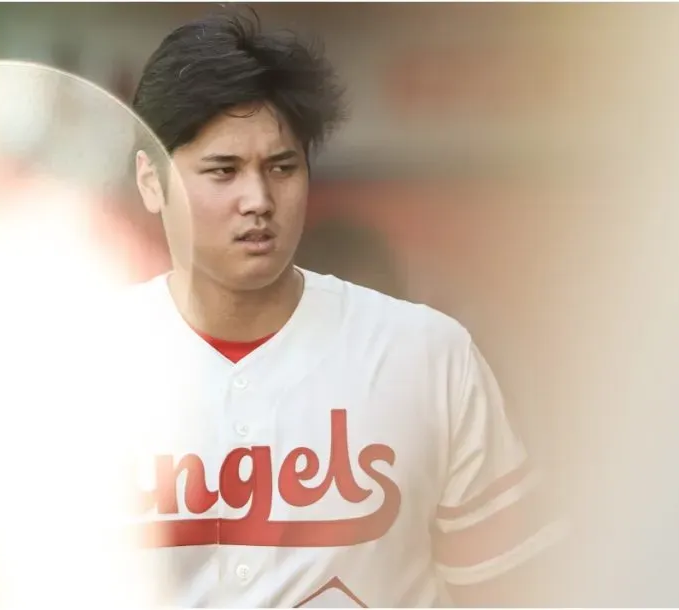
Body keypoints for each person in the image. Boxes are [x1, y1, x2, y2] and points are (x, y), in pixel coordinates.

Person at [115, 9, 567, 608]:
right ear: (151, 180)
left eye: (282, 167)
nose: (258, 200)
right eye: (222, 171)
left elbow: (516, 589)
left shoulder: (425, 355)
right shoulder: (78, 365)